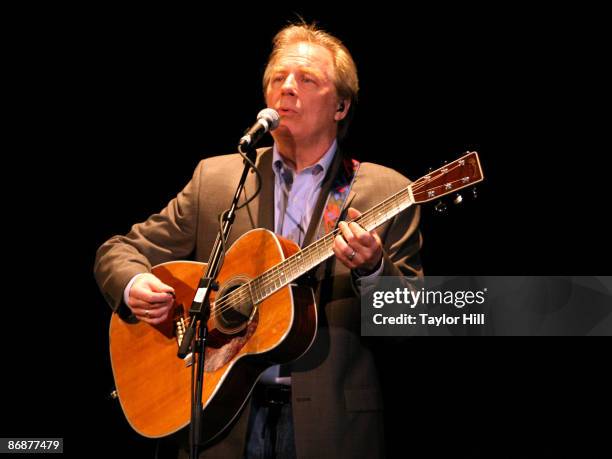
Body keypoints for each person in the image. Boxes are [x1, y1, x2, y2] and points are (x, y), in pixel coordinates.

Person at [95, 22, 422, 458]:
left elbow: (414, 322)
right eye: (277, 78)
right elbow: (119, 251)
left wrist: (372, 270)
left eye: (307, 80)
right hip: (220, 423)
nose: (287, 88)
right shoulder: (218, 179)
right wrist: (134, 285)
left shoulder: (386, 192)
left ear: (341, 106)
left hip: (330, 430)